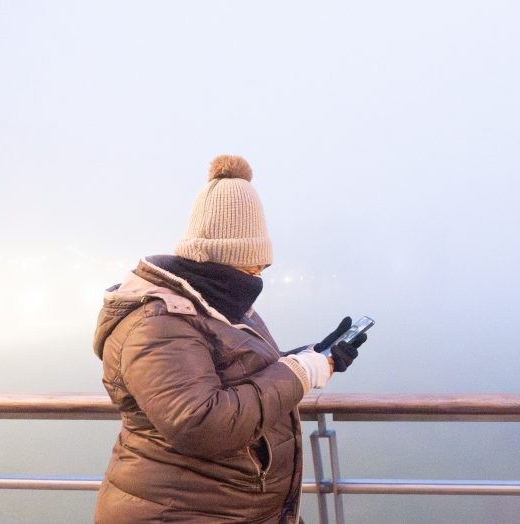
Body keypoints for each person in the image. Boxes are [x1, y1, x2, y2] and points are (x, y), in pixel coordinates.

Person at [91, 154, 366, 523]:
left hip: (229, 508)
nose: (258, 275)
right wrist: (300, 372)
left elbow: (237, 372)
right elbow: (200, 423)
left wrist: (315, 357)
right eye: (252, 265)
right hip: (180, 513)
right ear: (223, 255)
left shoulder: (218, 306)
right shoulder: (158, 322)